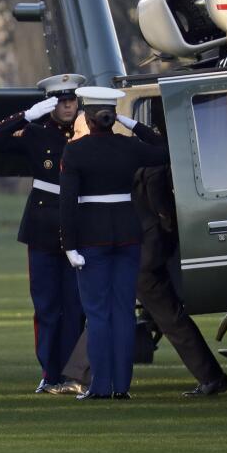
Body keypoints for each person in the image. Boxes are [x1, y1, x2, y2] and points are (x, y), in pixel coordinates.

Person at [59, 86, 169, 400]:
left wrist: (69, 245)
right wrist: (130, 121)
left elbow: (68, 203)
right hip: (127, 233)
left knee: (97, 313)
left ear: (88, 118)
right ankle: (121, 387)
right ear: (110, 117)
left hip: (91, 238)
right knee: (122, 312)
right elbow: (163, 148)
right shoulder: (128, 147)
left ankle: (99, 386)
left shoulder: (75, 151)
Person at [0, 73, 86, 395]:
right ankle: (49, 373)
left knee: (76, 305)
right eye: (60, 101)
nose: (67, 106)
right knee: (46, 305)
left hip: (79, 226)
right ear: (51, 104)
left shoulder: (86, 134)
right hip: (43, 226)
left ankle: (73, 373)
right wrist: (28, 115)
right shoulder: (36, 133)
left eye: (71, 100)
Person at [133, 162, 227, 396]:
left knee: (170, 318)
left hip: (147, 252)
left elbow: (158, 195)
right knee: (171, 317)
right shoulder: (146, 156)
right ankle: (211, 376)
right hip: (153, 248)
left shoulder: (149, 162)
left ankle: (212, 377)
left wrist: (166, 225)